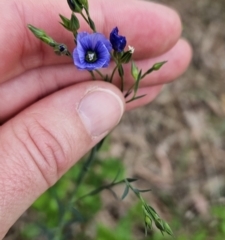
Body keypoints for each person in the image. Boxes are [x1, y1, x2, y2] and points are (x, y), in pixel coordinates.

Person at [0, 0, 192, 238]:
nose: (89, 54)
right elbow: (86, 56)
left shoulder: (100, 55)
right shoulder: (88, 52)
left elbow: (95, 56)